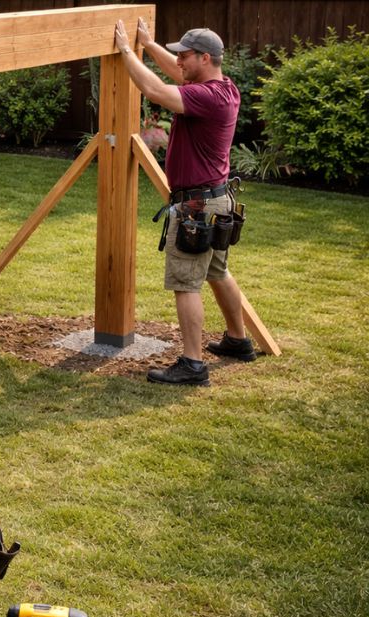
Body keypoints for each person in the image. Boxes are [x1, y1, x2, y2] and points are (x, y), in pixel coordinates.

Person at [114, 19, 258, 386]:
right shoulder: (224, 89)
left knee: (186, 284)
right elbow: (176, 76)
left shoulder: (206, 97)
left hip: (197, 208)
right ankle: (238, 341)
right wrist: (149, 45)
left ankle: (193, 364)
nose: (178, 61)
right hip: (217, 202)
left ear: (205, 58)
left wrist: (127, 51)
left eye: (185, 55)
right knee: (217, 272)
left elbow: (154, 89)